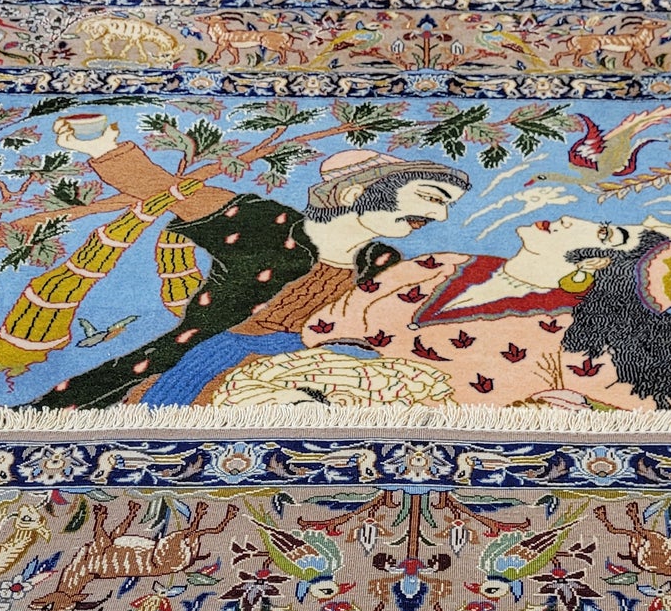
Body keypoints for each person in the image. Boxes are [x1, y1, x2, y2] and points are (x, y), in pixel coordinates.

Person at [34, 128, 470, 408]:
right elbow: (167, 190)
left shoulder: (382, 262)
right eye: (431, 197)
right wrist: (100, 145)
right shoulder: (263, 223)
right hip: (207, 355)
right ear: (354, 192)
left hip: (314, 372)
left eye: (447, 206)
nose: (440, 216)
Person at [202, 214, 671, 410]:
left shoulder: (572, 336)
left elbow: (656, 395)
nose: (575, 218)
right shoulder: (442, 262)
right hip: (285, 384)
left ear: (595, 264)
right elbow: (324, 327)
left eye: (601, 231)